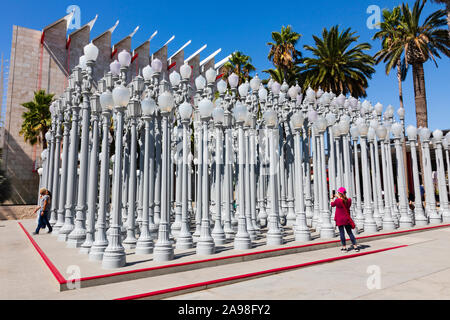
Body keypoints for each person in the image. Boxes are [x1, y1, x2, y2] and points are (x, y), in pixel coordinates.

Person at [331, 187, 358, 252]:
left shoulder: (337, 200)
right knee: (350, 233)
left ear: (339, 193)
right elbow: (344, 201)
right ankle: (355, 246)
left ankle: (344, 247)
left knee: (342, 233)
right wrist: (338, 196)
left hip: (340, 219)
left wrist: (332, 198)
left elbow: (332, 205)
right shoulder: (349, 200)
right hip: (346, 219)